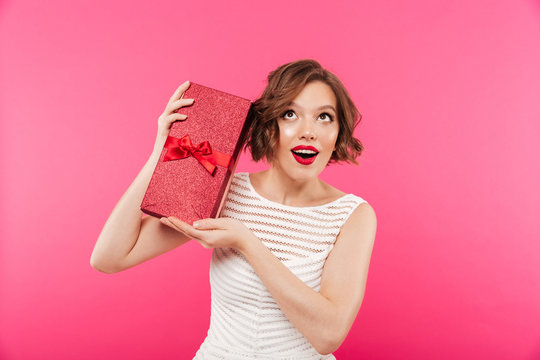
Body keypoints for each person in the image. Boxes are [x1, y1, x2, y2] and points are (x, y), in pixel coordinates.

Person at [90, 59, 377, 359]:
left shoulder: (352, 216)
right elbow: (108, 258)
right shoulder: (226, 192)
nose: (309, 131)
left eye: (324, 117)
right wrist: (160, 153)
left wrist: (246, 242)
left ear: (338, 132)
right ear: (270, 127)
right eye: (290, 114)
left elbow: (327, 335)